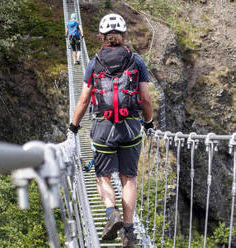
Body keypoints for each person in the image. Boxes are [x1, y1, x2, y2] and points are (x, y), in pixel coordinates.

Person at [68, 13, 153, 247]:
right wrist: (148, 123)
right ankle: (128, 231)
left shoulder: (94, 63)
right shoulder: (136, 61)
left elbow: (84, 99)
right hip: (130, 129)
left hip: (103, 129)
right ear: (123, 36)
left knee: (102, 176)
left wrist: (73, 127)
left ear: (102, 37)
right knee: (129, 179)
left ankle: (110, 213)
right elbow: (145, 98)